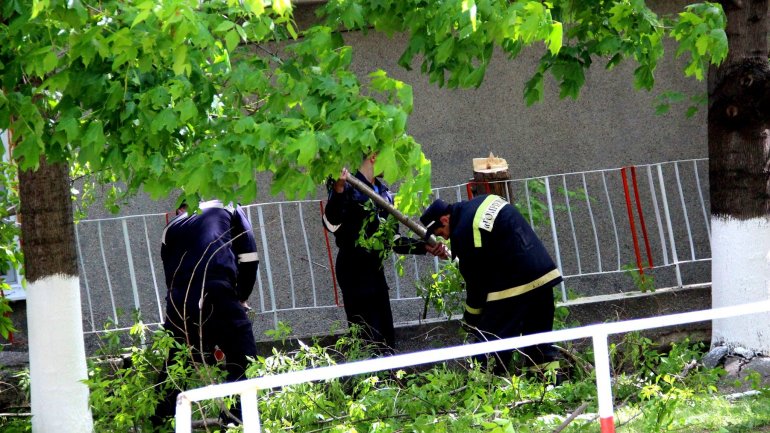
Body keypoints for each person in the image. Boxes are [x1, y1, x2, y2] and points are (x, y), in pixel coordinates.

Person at [420, 194, 563, 376]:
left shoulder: (463, 230)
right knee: (539, 345)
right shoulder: (482, 203)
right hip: (542, 276)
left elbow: (476, 282)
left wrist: (471, 320)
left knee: (489, 343)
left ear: (445, 219)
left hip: (513, 285)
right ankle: (549, 388)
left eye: (441, 233)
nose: (445, 238)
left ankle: (483, 388)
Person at [152, 199, 259, 428]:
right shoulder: (230, 205)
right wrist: (240, 297)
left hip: (178, 297)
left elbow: (169, 273)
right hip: (216, 287)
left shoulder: (170, 228)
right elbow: (249, 257)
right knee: (243, 353)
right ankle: (237, 421)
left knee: (178, 359)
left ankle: (160, 421)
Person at [324, 154, 444, 354]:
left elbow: (393, 242)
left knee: (386, 337)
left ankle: (389, 379)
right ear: (374, 156)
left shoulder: (384, 193)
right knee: (366, 337)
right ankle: (367, 381)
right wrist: (338, 191)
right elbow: (331, 224)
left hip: (375, 273)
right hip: (353, 272)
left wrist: (425, 247)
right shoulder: (347, 186)